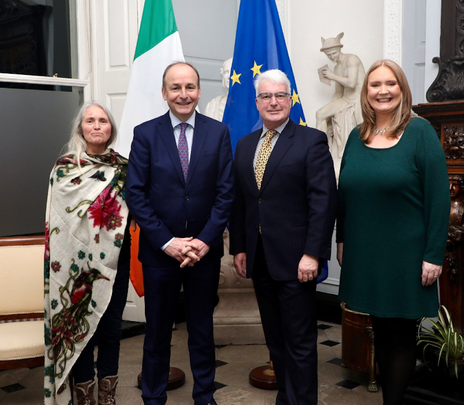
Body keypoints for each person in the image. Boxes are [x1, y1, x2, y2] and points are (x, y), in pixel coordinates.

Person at [336, 59, 451, 405]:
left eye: (390, 84)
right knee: (381, 334)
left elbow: (439, 198)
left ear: (402, 90)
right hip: (365, 253)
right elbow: (345, 194)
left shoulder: (421, 133)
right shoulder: (358, 137)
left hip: (407, 256)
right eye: (375, 85)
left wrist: (433, 255)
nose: (382, 91)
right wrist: (341, 240)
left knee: (400, 337)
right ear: (366, 92)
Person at [126, 61, 234, 405]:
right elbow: (136, 194)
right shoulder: (145, 134)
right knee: (157, 333)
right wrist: (168, 242)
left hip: (204, 253)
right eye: (175, 87)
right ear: (164, 93)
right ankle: (154, 397)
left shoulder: (219, 133)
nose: (183, 94)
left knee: (202, 330)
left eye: (189, 87)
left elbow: (226, 193)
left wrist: (203, 241)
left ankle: (204, 396)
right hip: (160, 254)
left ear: (199, 91)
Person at [229, 69, 338, 405]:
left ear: (290, 99)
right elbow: (242, 201)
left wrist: (313, 253)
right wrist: (240, 248)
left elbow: (323, 201)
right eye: (266, 96)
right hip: (260, 258)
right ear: (257, 102)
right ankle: (286, 398)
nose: (273, 102)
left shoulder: (311, 140)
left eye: (280, 95)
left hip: (296, 260)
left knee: (300, 342)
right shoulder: (246, 145)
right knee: (275, 339)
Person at [44, 102, 131, 405]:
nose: (96, 126)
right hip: (75, 266)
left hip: (115, 263)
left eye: (103, 121)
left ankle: (107, 397)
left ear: (111, 128)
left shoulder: (124, 167)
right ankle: (85, 396)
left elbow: (134, 213)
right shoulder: (66, 168)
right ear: (80, 127)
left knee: (110, 330)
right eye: (90, 120)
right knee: (82, 331)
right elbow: (59, 220)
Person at [315, 32, 365, 178]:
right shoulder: (336, 68)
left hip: (359, 100)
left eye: (333, 53)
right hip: (346, 99)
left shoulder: (352, 59)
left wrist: (331, 76)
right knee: (320, 114)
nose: (331, 57)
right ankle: (320, 154)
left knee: (361, 130)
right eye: (328, 55)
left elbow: (352, 82)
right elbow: (339, 93)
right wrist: (331, 111)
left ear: (339, 49)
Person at [204, 57, 232, 121]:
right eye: (226, 72)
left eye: (233, 72)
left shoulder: (249, 107)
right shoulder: (212, 105)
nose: (229, 76)